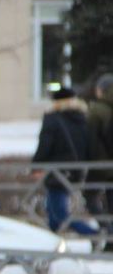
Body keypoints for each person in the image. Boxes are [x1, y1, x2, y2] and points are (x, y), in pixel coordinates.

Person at [32, 87, 97, 235]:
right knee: (52, 210)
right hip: (76, 170)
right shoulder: (81, 117)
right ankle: (52, 240)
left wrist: (36, 165)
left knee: (59, 213)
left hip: (57, 170)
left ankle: (94, 233)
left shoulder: (52, 118)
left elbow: (45, 144)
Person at [85, 73, 113, 222]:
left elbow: (91, 140)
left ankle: (107, 231)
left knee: (90, 197)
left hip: (101, 165)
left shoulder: (98, 110)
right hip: (106, 164)